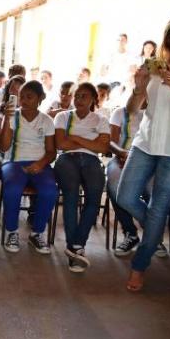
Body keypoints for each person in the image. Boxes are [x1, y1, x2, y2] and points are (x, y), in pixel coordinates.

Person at [117, 16, 170, 291]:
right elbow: (131, 108)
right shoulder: (154, 68)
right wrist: (139, 88)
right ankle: (153, 229)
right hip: (145, 143)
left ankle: (139, 266)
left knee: (159, 206)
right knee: (125, 195)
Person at [54, 82, 110, 273]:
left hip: (92, 160)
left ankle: (76, 245)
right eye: (76, 96)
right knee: (71, 195)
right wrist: (90, 142)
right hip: (66, 159)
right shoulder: (63, 117)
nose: (78, 100)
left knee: (94, 198)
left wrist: (76, 139)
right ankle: (75, 246)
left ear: (93, 99)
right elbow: (60, 143)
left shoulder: (100, 120)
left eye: (83, 96)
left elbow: (103, 148)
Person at [0, 80, 57, 254]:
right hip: (14, 162)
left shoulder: (46, 121)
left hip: (40, 164)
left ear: (40, 98)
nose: (24, 100)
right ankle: (12, 231)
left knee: (50, 191)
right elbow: (3, 146)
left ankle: (37, 233)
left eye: (29, 97)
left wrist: (40, 164)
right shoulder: (12, 116)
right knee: (12, 189)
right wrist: (7, 120)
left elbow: (51, 151)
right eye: (21, 96)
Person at [107, 102, 146, 256]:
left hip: (149, 161)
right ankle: (131, 233)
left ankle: (152, 237)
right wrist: (122, 154)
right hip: (122, 157)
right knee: (114, 187)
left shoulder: (157, 112)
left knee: (154, 190)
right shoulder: (120, 112)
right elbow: (111, 142)